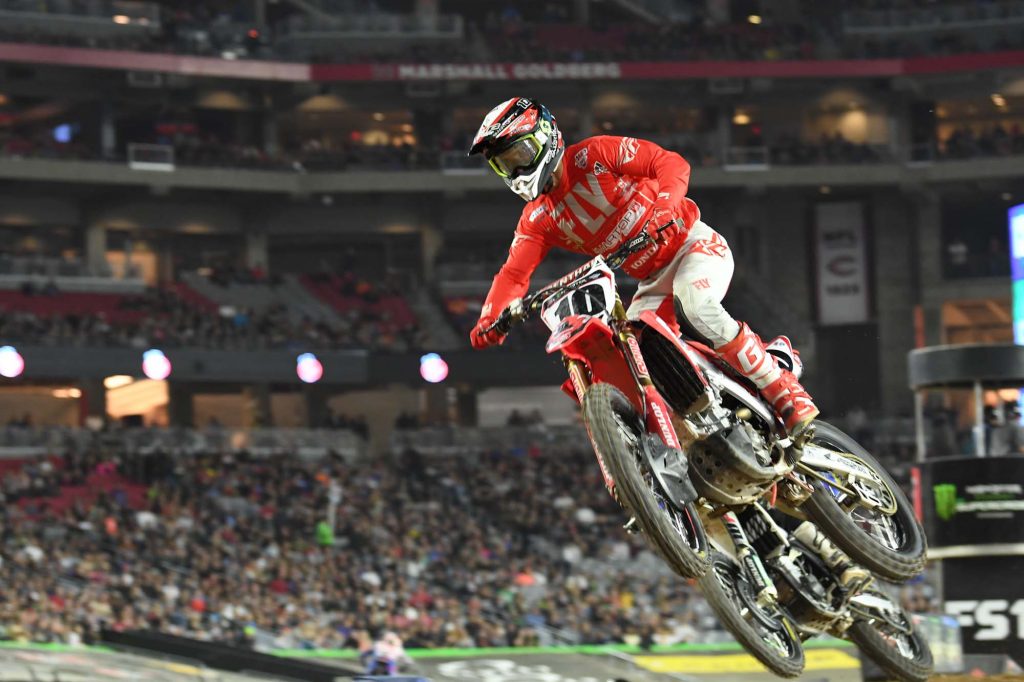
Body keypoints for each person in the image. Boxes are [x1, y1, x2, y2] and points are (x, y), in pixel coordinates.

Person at [466, 97, 817, 436]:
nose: (515, 170)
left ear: (546, 137)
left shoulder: (593, 155)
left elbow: (670, 164)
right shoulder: (537, 218)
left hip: (693, 245)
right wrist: (490, 317)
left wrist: (664, 210)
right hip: (652, 281)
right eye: (504, 164)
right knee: (631, 351)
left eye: (519, 155)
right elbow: (513, 274)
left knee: (696, 304)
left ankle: (783, 386)